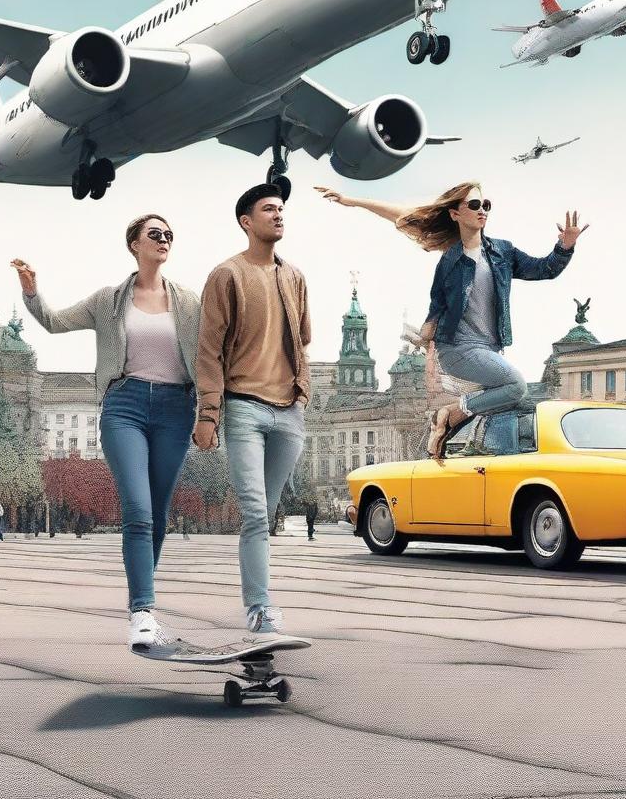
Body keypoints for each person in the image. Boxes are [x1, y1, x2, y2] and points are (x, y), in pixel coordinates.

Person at [12, 213, 200, 648]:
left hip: (177, 407)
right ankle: (142, 611)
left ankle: (143, 602)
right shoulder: (108, 300)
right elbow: (55, 322)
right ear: (134, 244)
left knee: (158, 511)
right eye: (155, 233)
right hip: (125, 406)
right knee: (137, 507)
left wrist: (211, 410)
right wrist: (31, 292)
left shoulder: (189, 302)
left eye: (170, 235)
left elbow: (213, 350)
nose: (164, 240)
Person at [316, 183, 586, 456]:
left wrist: (565, 246)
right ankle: (450, 413)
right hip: (457, 349)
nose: (482, 211)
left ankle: (477, 449)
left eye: (486, 205)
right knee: (515, 385)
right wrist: (352, 201)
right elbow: (410, 221)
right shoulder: (450, 260)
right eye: (474, 205)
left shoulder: (502, 252)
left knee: (503, 404)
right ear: (455, 214)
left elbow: (544, 269)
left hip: (490, 348)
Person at [194, 184, 311, 636]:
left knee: (269, 508)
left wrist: (298, 394)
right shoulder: (227, 274)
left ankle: (260, 604)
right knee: (255, 513)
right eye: (268, 209)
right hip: (244, 408)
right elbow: (208, 349)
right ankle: (260, 609)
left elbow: (303, 337)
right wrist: (208, 413)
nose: (278, 215)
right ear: (246, 221)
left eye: (281, 208)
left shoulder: (295, 276)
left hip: (289, 413)